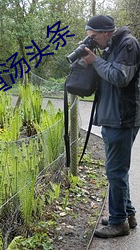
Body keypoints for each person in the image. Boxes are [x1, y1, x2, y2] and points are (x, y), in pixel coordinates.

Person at [82, 15, 140, 238]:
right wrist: (91, 60)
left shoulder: (128, 44)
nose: (93, 41)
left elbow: (119, 77)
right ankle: (127, 214)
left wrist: (95, 61)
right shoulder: (111, 46)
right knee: (117, 171)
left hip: (122, 118)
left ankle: (118, 223)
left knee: (115, 171)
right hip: (112, 117)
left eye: (94, 37)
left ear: (106, 32)